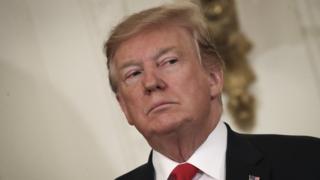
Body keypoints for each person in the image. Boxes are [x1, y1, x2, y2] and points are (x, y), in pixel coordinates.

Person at [104, 2, 320, 180]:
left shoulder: (308, 161)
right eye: (133, 73)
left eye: (169, 61)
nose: (151, 82)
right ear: (123, 106)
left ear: (213, 78)